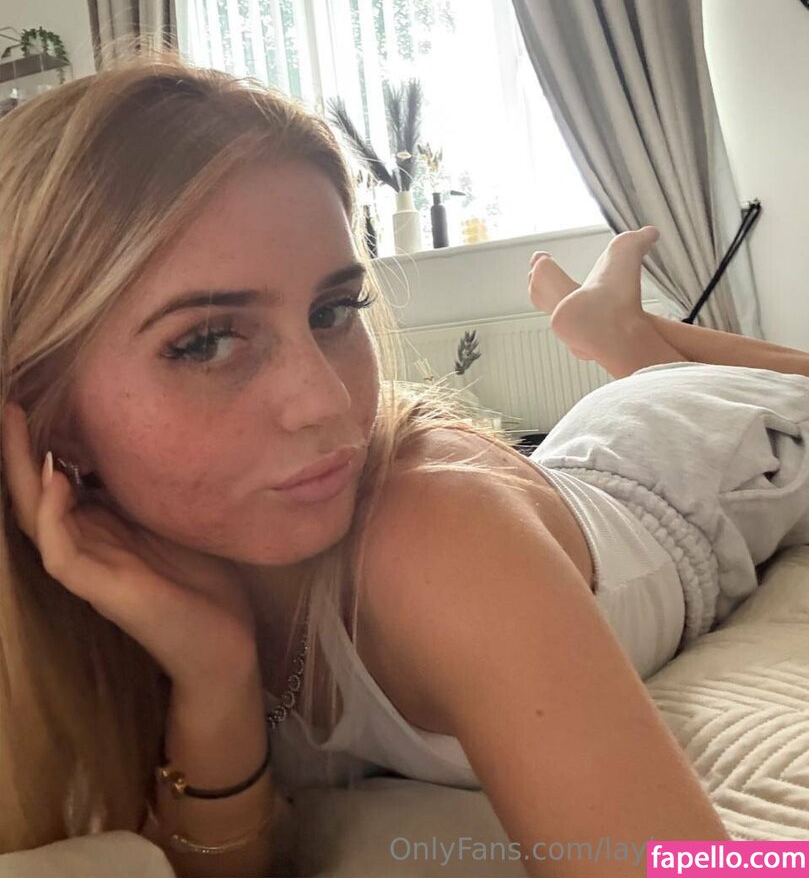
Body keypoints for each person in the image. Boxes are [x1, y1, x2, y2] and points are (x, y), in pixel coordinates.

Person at [1, 53, 807, 878]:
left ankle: (629, 342)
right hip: (571, 465)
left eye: (332, 311)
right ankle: (623, 340)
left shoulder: (440, 542)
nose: (324, 401)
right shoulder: (92, 586)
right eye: (207, 342)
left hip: (675, 474)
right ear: (43, 408)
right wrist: (215, 675)